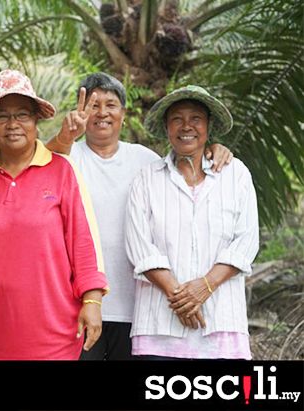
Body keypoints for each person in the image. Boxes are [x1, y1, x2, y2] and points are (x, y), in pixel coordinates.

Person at [45, 73, 233, 360]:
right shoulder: (68, 157)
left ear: (124, 113)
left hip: (139, 309)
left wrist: (213, 149)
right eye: (93, 105)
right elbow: (38, 171)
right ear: (80, 111)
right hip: (78, 305)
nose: (102, 113)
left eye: (111, 105)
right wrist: (65, 136)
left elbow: (185, 168)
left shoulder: (146, 162)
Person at [0, 69, 108, 360]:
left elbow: (82, 242)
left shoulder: (61, 170)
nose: (13, 124)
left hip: (56, 330)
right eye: (2, 116)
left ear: (35, 121)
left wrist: (92, 299)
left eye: (22, 115)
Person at [125, 85, 259, 359]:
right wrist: (183, 298)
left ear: (208, 126)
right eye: (177, 119)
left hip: (222, 327)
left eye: (196, 118)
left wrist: (205, 286)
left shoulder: (236, 175)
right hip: (157, 329)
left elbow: (246, 242)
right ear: (166, 127)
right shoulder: (147, 178)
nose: (187, 126)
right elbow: (139, 246)